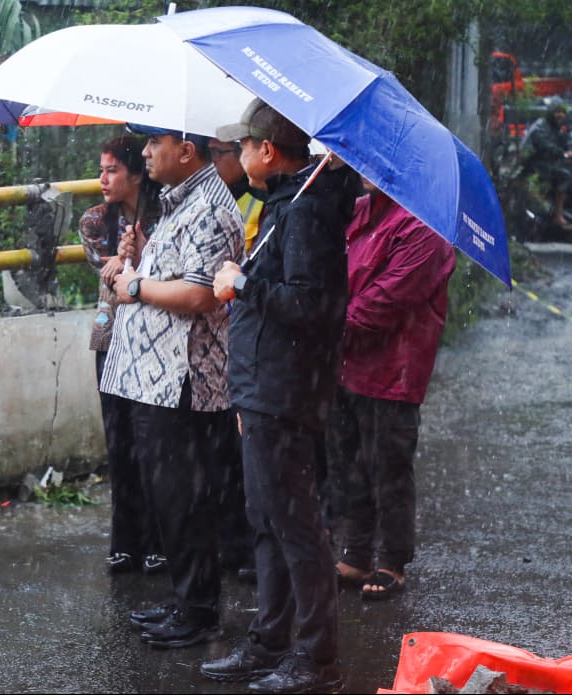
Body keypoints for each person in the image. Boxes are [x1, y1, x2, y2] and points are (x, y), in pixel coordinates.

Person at [203, 98, 356, 693]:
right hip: (261, 388)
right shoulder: (285, 203)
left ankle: (317, 658)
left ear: (266, 151)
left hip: (284, 390)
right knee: (267, 519)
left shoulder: (308, 212)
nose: (238, 154)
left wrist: (242, 284)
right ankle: (270, 641)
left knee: (296, 525)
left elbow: (312, 305)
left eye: (242, 145)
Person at [102, 124, 245, 649]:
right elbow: (178, 273)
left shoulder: (210, 207)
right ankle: (185, 598)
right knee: (168, 494)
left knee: (185, 495)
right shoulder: (180, 201)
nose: (145, 153)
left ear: (185, 151)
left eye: (154, 144)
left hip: (182, 377)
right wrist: (143, 255)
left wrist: (137, 285)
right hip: (154, 376)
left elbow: (201, 295)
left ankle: (199, 609)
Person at [326, 178, 456, 601]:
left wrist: (323, 323)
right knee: (348, 463)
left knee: (387, 466)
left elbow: (388, 300)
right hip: (346, 361)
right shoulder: (361, 210)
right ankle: (356, 552)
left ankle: (392, 561)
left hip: (392, 368)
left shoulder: (424, 227)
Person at [78, 135, 164, 575]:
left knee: (154, 443)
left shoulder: (164, 211)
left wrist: (139, 252)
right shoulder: (95, 220)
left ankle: (157, 541)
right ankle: (124, 542)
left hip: (157, 340)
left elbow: (166, 269)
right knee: (120, 443)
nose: (103, 179)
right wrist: (125, 258)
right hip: (112, 340)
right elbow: (109, 274)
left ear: (135, 173)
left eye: (112, 170)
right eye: (101, 170)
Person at [208, 136, 263, 583]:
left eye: (219, 153)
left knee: (248, 457)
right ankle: (231, 544)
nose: (214, 163)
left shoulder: (260, 203)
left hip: (242, 336)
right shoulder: (213, 200)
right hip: (228, 338)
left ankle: (249, 549)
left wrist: (236, 279)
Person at [521, 98, 572, 230]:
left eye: (562, 112)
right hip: (533, 163)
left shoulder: (556, 126)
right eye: (557, 112)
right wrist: (565, 154)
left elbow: (565, 139)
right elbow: (545, 147)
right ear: (550, 112)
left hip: (545, 161)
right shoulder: (541, 126)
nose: (560, 115)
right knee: (564, 176)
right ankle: (557, 216)